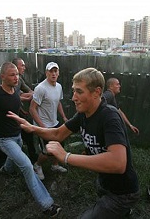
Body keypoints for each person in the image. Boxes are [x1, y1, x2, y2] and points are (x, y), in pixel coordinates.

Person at [8, 67, 140, 218]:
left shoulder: (110, 117)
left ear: (96, 92)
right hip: (104, 182)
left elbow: (118, 163)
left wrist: (66, 156)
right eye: (73, 91)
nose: (73, 97)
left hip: (123, 192)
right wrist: (32, 127)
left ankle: (124, 209)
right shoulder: (83, 114)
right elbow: (58, 133)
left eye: (79, 91)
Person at [0, 62, 61, 217]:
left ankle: (5, 170)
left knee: (14, 158)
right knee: (27, 166)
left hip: (18, 136)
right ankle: (47, 205)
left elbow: (15, 102)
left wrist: (25, 105)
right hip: (5, 140)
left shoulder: (15, 90)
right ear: (2, 76)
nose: (16, 77)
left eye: (17, 74)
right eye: (12, 75)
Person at [29, 62, 68, 180]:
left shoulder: (59, 87)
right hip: (43, 125)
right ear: (46, 73)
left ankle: (55, 165)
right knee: (47, 151)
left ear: (58, 73)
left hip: (54, 123)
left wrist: (64, 117)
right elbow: (32, 108)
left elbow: (58, 103)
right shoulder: (40, 88)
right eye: (51, 71)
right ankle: (37, 165)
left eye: (56, 71)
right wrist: (41, 126)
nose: (53, 73)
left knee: (58, 145)